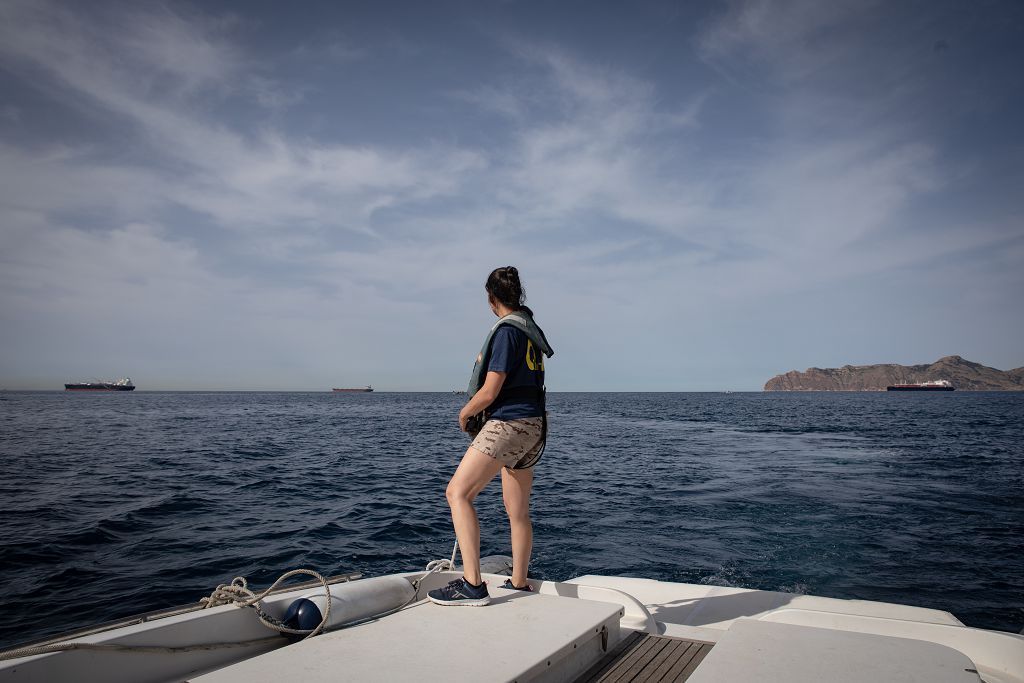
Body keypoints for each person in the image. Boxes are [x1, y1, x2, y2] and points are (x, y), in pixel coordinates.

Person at [428, 266, 554, 606]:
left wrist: (465, 412)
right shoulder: (529, 331)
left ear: (491, 298)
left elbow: (490, 389)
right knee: (518, 511)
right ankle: (519, 582)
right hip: (535, 427)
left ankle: (472, 585)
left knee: (457, 493)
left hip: (509, 424)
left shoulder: (507, 332)